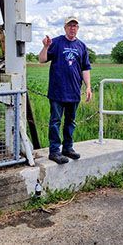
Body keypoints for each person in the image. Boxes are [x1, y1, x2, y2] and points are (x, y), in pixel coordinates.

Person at [39, 16, 92, 164]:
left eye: (75, 25)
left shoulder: (81, 46)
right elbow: (42, 60)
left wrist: (88, 86)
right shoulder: (55, 42)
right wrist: (45, 47)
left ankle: (68, 148)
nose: (72, 28)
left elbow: (85, 68)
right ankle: (54, 151)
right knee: (55, 121)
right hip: (57, 91)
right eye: (70, 25)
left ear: (78, 28)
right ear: (65, 27)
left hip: (74, 91)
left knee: (71, 122)